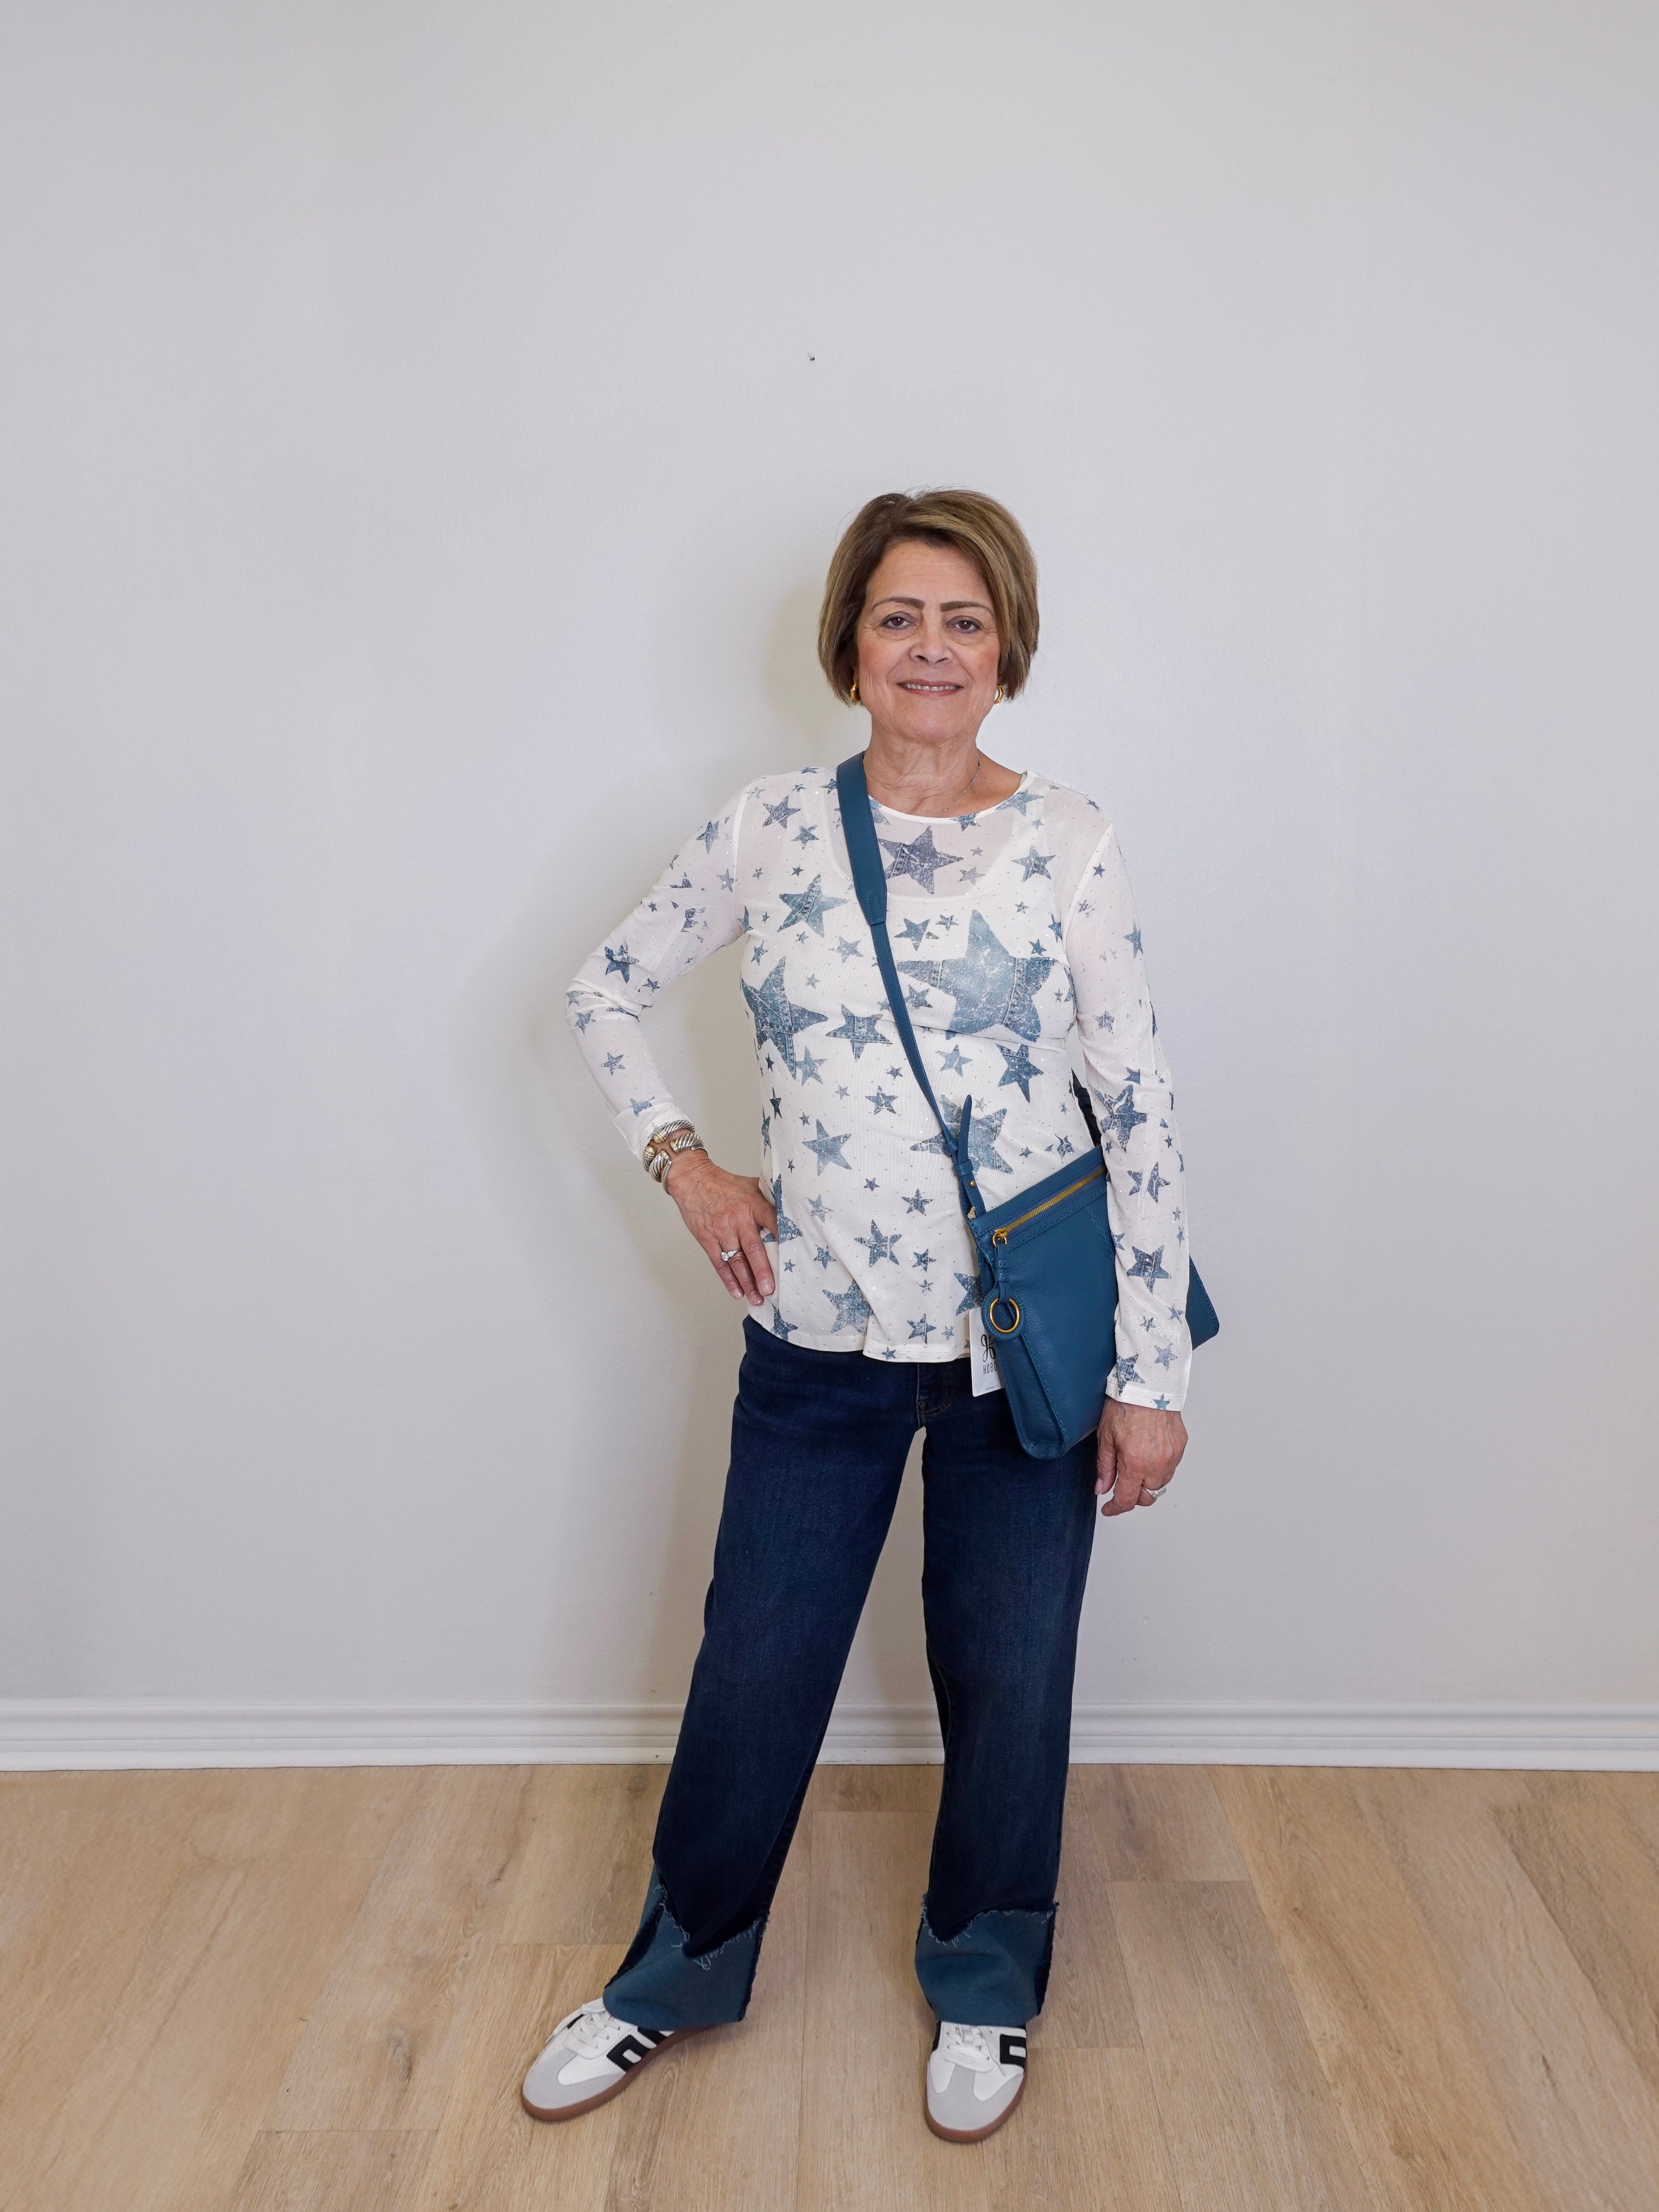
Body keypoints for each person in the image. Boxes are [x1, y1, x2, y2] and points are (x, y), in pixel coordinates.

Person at [522, 489, 1193, 2144]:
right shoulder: (769, 828)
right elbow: (601, 990)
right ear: (850, 643)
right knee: (756, 1670)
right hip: (815, 1340)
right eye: (901, 617)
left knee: (1012, 1675)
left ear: (1007, 648)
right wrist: (686, 1164)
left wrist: (1152, 1373)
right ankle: (677, 1970)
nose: (932, 649)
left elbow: (1140, 1111)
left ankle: (986, 1980)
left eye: (966, 620)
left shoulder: (1072, 839)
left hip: (1021, 1355)